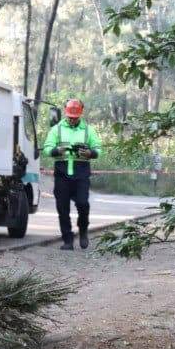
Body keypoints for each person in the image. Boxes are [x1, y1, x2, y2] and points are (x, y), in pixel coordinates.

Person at [42, 98, 102, 250]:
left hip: (81, 171)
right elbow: (47, 148)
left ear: (80, 115)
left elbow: (98, 149)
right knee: (62, 208)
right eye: (70, 117)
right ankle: (67, 240)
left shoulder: (88, 130)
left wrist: (90, 152)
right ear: (65, 113)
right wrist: (57, 150)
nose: (72, 120)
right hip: (62, 172)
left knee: (83, 203)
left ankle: (83, 230)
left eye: (75, 118)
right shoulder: (57, 129)